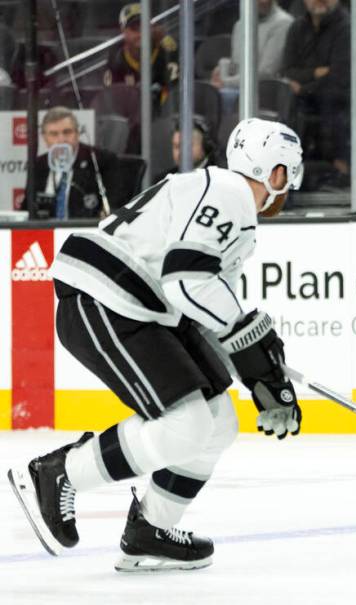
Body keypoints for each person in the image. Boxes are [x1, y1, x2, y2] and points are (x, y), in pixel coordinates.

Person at [7, 118, 305, 572]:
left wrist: (262, 372)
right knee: (185, 425)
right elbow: (187, 280)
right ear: (277, 172)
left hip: (140, 305)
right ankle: (59, 472)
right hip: (106, 296)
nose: (288, 187)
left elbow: (204, 308)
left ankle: (150, 529)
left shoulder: (223, 200)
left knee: (219, 422)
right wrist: (252, 344)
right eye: (289, 173)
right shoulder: (229, 193)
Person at [281, 0, 351, 186]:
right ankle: (284, 169)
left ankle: (341, 170)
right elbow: (287, 70)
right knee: (284, 99)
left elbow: (340, 75)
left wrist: (304, 86)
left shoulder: (347, 27)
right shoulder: (297, 27)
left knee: (332, 98)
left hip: (337, 95)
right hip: (304, 96)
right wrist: (315, 73)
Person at [22, 106, 120, 219]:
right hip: (47, 233)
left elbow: (114, 206)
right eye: (54, 134)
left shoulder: (101, 161)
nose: (61, 139)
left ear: (77, 133)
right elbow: (26, 209)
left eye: (67, 132)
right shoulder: (38, 164)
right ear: (45, 137)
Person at [103, 3, 178, 111]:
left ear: (152, 28)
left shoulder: (166, 51)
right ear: (123, 31)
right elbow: (110, 100)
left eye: (144, 27)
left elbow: (176, 92)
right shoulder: (116, 58)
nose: (140, 34)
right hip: (130, 119)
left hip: (163, 116)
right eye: (134, 28)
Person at [211, 0, 293, 91]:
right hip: (236, 87)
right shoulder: (240, 25)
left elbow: (266, 74)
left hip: (266, 93)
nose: (263, 1)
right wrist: (221, 70)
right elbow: (236, 65)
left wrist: (225, 82)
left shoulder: (283, 23)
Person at [153, 115, 220, 183]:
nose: (180, 152)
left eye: (187, 146)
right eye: (176, 146)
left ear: (205, 146)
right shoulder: (163, 181)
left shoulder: (219, 179)